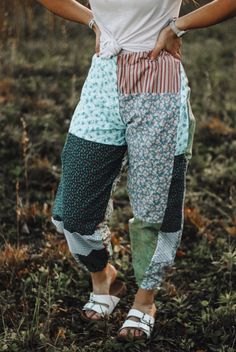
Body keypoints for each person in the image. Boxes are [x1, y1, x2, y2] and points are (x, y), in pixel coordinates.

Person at [36, 0, 236, 341]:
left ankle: (145, 301)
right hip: (104, 79)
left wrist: (177, 26)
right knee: (74, 208)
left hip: (159, 79)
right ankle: (104, 277)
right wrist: (93, 20)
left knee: (154, 208)